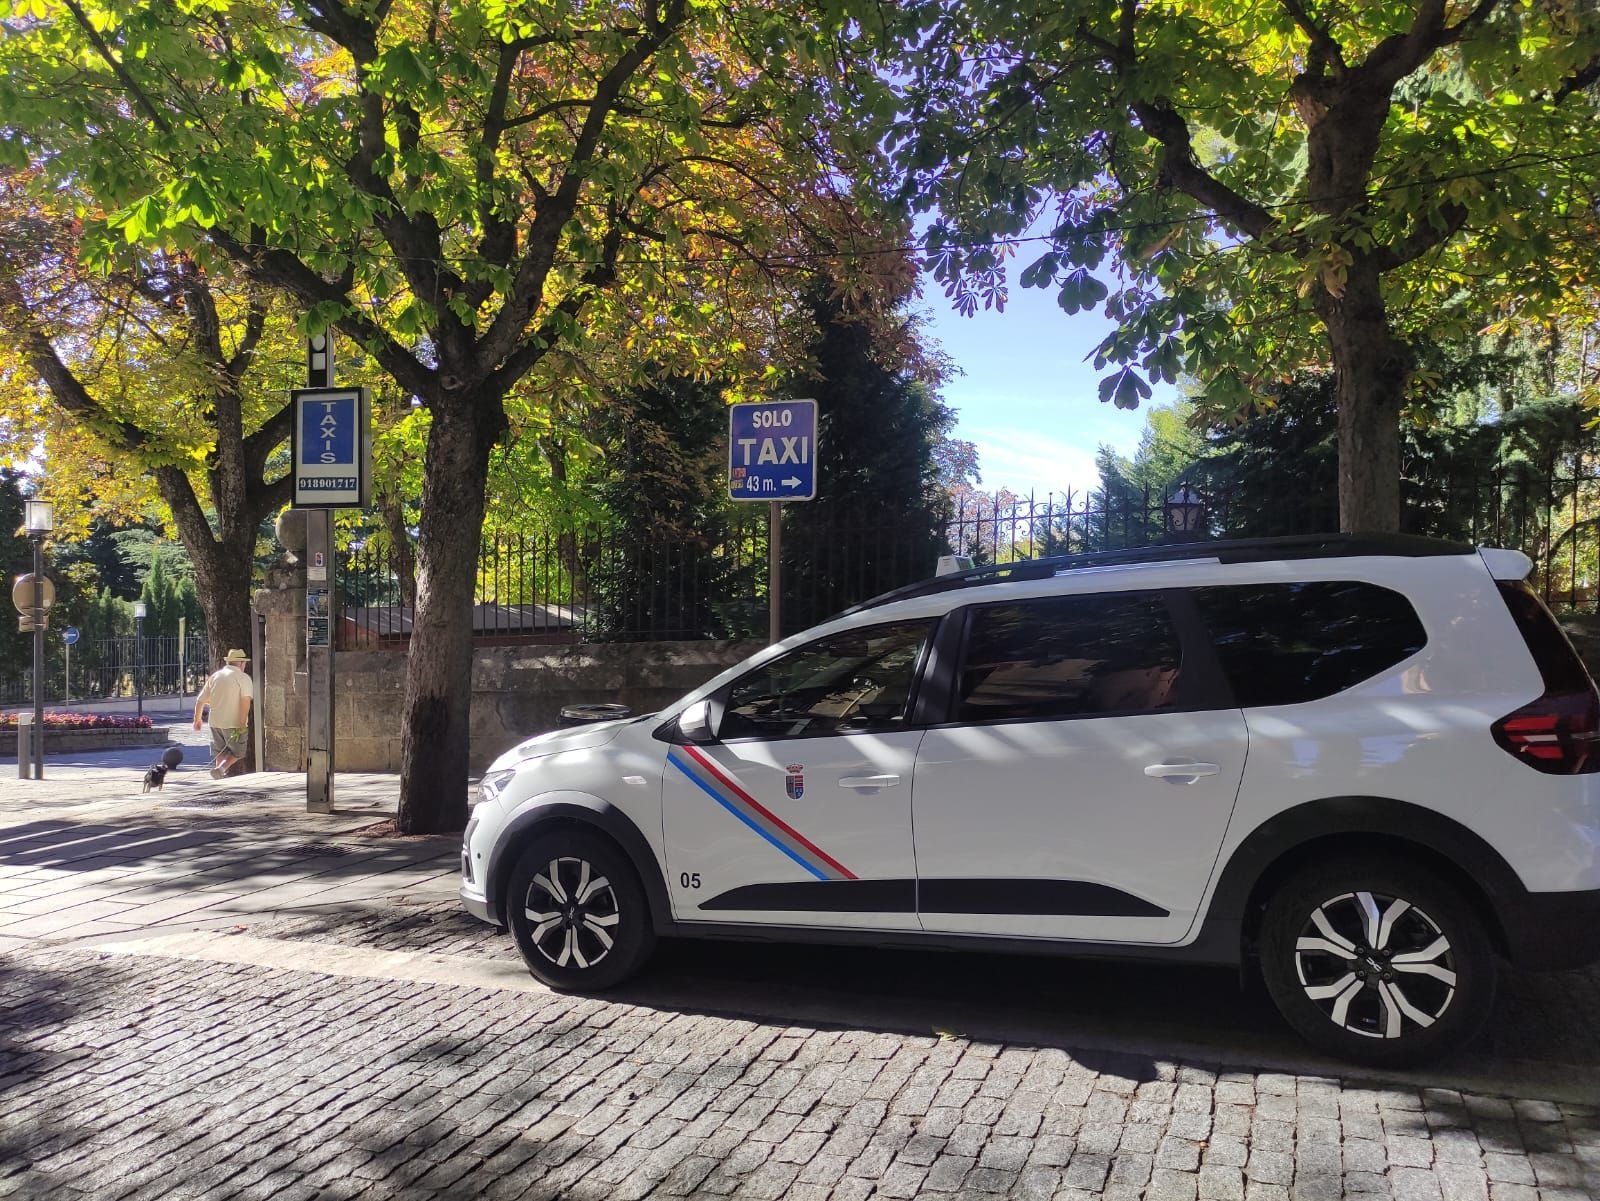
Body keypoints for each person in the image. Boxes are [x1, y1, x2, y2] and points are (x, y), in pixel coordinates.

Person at [193, 649, 253, 778]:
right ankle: (221, 769)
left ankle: (219, 776)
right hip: (234, 722)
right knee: (238, 752)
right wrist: (242, 723)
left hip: (215, 722)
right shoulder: (243, 678)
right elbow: (245, 701)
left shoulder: (215, 676)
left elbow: (200, 700)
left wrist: (197, 719)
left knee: (219, 751)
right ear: (242, 663)